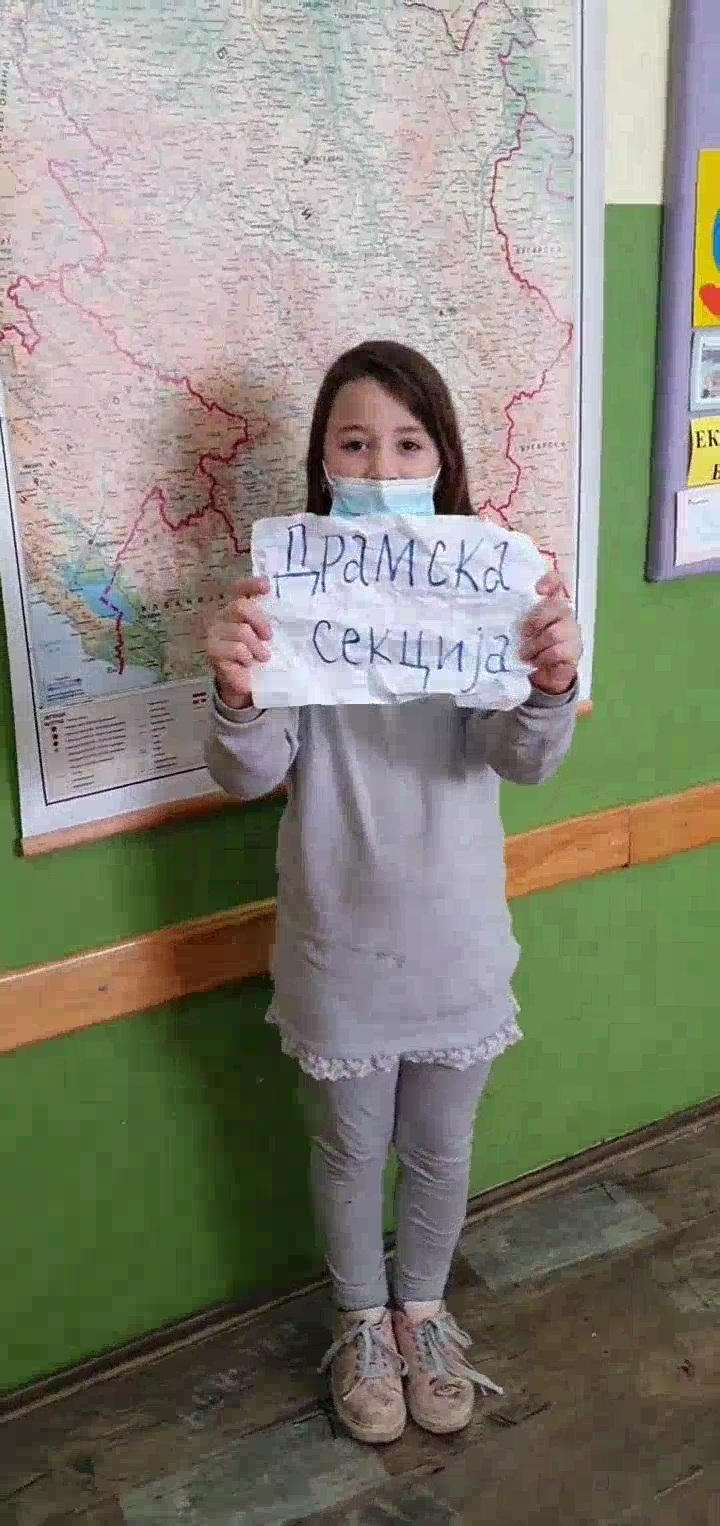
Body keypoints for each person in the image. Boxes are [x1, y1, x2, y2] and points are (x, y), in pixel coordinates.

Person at [205, 340, 582, 1446]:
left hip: (457, 938)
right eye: (356, 443)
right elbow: (249, 772)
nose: (382, 465)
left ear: (442, 459)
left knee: (442, 1149)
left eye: (409, 444)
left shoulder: (487, 590)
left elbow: (523, 758)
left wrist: (551, 682)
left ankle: (423, 1312)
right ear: (323, 461)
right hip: (338, 945)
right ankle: (361, 1322)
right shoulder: (292, 598)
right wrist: (235, 689)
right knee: (347, 1149)